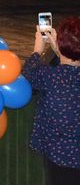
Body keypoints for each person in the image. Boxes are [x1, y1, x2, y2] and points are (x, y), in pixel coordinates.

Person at [23, 17, 80, 184]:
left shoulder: (49, 76)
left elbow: (28, 75)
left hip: (58, 157)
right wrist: (60, 51)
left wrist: (37, 50)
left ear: (60, 44)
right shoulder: (52, 76)